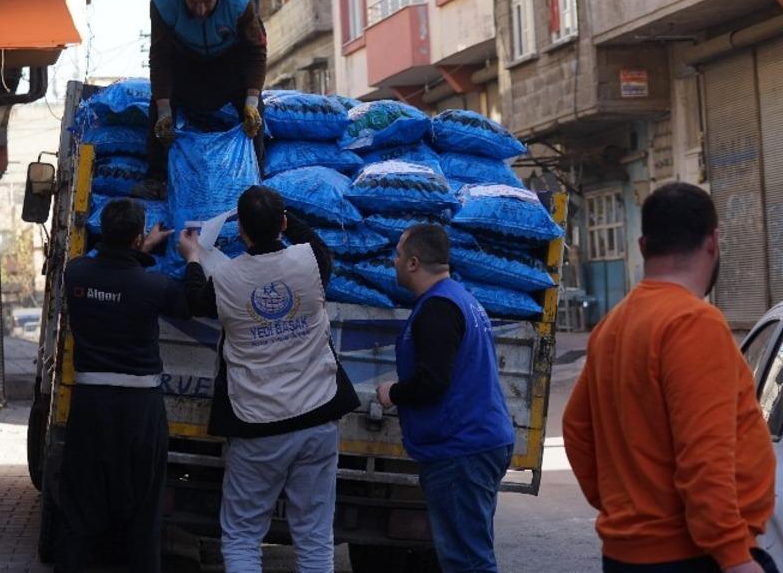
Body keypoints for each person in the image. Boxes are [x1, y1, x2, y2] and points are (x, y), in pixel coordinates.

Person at [562, 183, 777, 573]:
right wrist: (735, 557)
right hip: (693, 556)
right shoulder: (693, 323)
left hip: (630, 554)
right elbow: (704, 456)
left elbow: (576, 431)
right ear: (713, 241)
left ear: (643, 246)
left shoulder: (612, 326)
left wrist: (625, 507)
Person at [178, 185, 359, 573]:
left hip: (257, 424)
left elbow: (194, 300)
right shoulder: (311, 262)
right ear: (281, 223)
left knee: (243, 535)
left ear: (240, 228)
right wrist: (280, 216)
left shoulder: (225, 280)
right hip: (318, 414)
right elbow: (311, 238)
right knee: (314, 536)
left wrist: (193, 258)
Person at [56, 197, 191, 572]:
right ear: (136, 237)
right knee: (142, 518)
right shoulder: (155, 286)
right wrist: (192, 258)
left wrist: (137, 249)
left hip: (90, 406)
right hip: (140, 412)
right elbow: (190, 303)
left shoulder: (76, 274)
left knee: (80, 513)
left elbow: (109, 276)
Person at [374, 224, 515, 573]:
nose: (393, 262)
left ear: (413, 263)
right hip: (475, 443)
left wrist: (392, 393)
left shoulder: (438, 309)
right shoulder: (458, 298)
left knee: (467, 561)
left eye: (398, 255)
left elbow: (432, 381)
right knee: (470, 554)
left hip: (460, 449)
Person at [131, 0, 268, 200]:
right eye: (193, 2)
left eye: (207, 1)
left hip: (228, 63)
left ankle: (255, 180)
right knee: (159, 104)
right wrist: (164, 111)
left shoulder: (240, 0)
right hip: (186, 61)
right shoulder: (163, 1)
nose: (201, 9)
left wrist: (251, 102)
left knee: (257, 111)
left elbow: (256, 51)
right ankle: (156, 178)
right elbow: (160, 56)